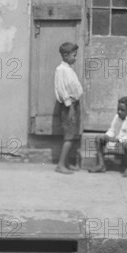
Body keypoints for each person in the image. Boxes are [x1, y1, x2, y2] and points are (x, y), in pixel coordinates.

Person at [88, 96, 127, 177]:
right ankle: (101, 165)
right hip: (117, 144)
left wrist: (114, 139)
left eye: (122, 110)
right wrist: (106, 136)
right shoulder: (117, 117)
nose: (119, 112)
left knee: (126, 143)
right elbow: (112, 130)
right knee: (98, 139)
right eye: (118, 109)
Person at [54, 42, 83, 174]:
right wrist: (70, 107)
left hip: (74, 105)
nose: (75, 58)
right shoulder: (61, 70)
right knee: (69, 136)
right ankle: (60, 165)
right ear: (65, 55)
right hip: (68, 106)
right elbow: (61, 90)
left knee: (71, 135)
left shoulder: (69, 69)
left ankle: (66, 162)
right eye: (74, 55)